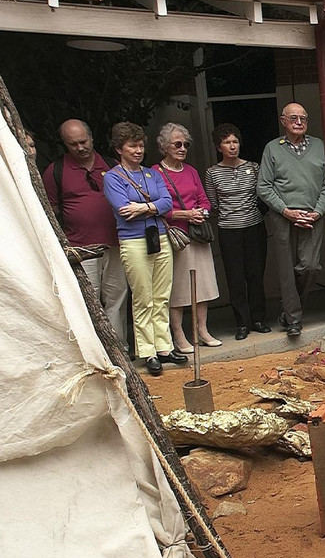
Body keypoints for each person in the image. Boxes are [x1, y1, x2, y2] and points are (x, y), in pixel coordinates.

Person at [102, 122, 183, 377]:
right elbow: (122, 209)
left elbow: (167, 202)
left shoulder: (152, 173)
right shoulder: (113, 177)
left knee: (162, 294)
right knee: (143, 297)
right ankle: (147, 351)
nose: (138, 151)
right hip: (134, 241)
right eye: (132, 146)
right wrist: (151, 207)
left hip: (159, 237)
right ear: (119, 149)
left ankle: (164, 347)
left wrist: (141, 208)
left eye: (141, 146)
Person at [44, 119, 130, 349]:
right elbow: (51, 211)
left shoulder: (112, 165)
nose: (80, 147)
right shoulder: (56, 171)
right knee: (88, 299)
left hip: (116, 242)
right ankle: (96, 350)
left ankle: (119, 347)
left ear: (92, 138)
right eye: (73, 144)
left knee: (117, 297)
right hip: (80, 247)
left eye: (83, 141)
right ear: (65, 144)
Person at [257, 102, 325, 337]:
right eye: (294, 118)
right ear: (283, 121)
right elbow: (264, 187)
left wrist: (318, 211)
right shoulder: (272, 149)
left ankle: (289, 310)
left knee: (309, 267)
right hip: (283, 217)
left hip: (313, 217)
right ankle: (294, 318)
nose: (299, 123)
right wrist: (286, 211)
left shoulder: (319, 146)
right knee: (287, 270)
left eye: (303, 118)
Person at [153, 122, 221, 352]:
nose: (183, 148)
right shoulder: (155, 173)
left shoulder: (191, 171)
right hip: (175, 236)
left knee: (203, 284)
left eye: (186, 144)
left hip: (197, 234)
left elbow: (204, 199)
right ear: (164, 146)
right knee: (179, 288)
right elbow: (156, 207)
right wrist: (184, 214)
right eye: (177, 144)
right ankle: (179, 334)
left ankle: (202, 330)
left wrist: (202, 212)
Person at [204, 123, 271, 340]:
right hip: (229, 230)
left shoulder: (253, 166)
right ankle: (241, 323)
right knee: (235, 277)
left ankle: (258, 318)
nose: (232, 146)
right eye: (227, 143)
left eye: (235, 142)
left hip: (254, 227)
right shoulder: (212, 173)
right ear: (218, 147)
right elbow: (213, 203)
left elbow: (262, 195)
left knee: (255, 274)